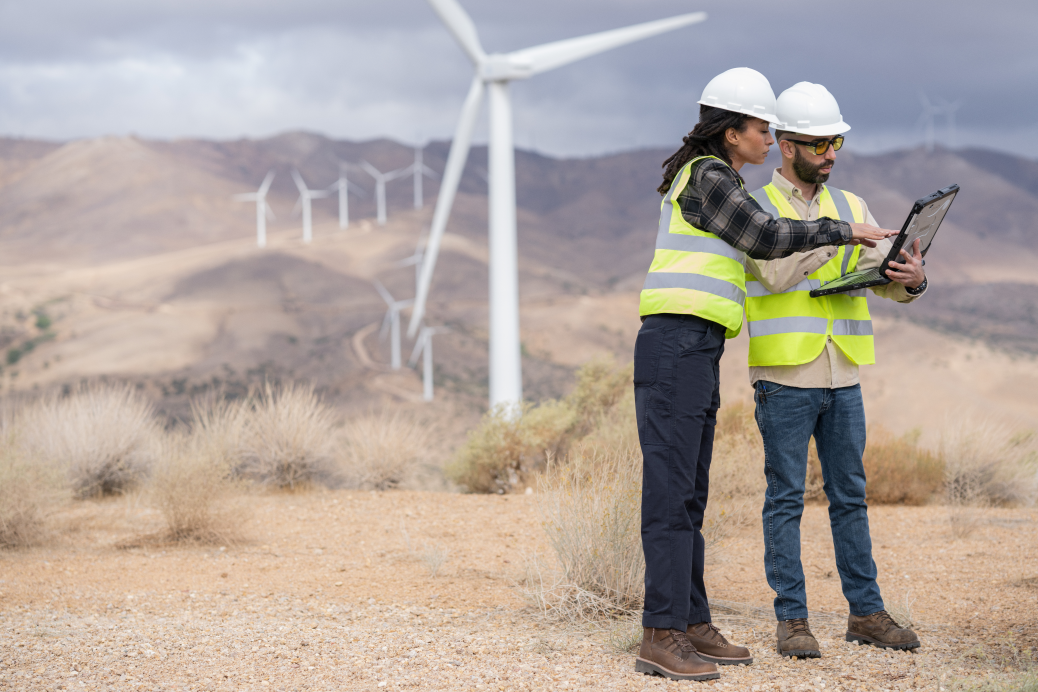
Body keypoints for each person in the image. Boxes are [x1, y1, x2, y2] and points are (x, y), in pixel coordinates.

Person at [634, 68, 897, 682]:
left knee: (689, 496)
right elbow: (766, 236)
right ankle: (660, 634)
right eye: (761, 127)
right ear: (731, 133)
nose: (768, 136)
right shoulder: (710, 177)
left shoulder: (713, 177)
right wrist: (843, 231)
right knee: (672, 499)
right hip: (675, 344)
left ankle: (692, 623)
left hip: (696, 345)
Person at [743, 82, 925, 658]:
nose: (831, 154)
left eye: (836, 142)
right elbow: (773, 274)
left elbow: (885, 281)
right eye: (820, 144)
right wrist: (833, 237)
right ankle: (792, 622)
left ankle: (866, 614)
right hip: (784, 377)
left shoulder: (852, 205)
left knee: (851, 496)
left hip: (843, 374)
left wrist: (910, 279)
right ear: (786, 146)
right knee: (786, 500)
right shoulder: (757, 209)